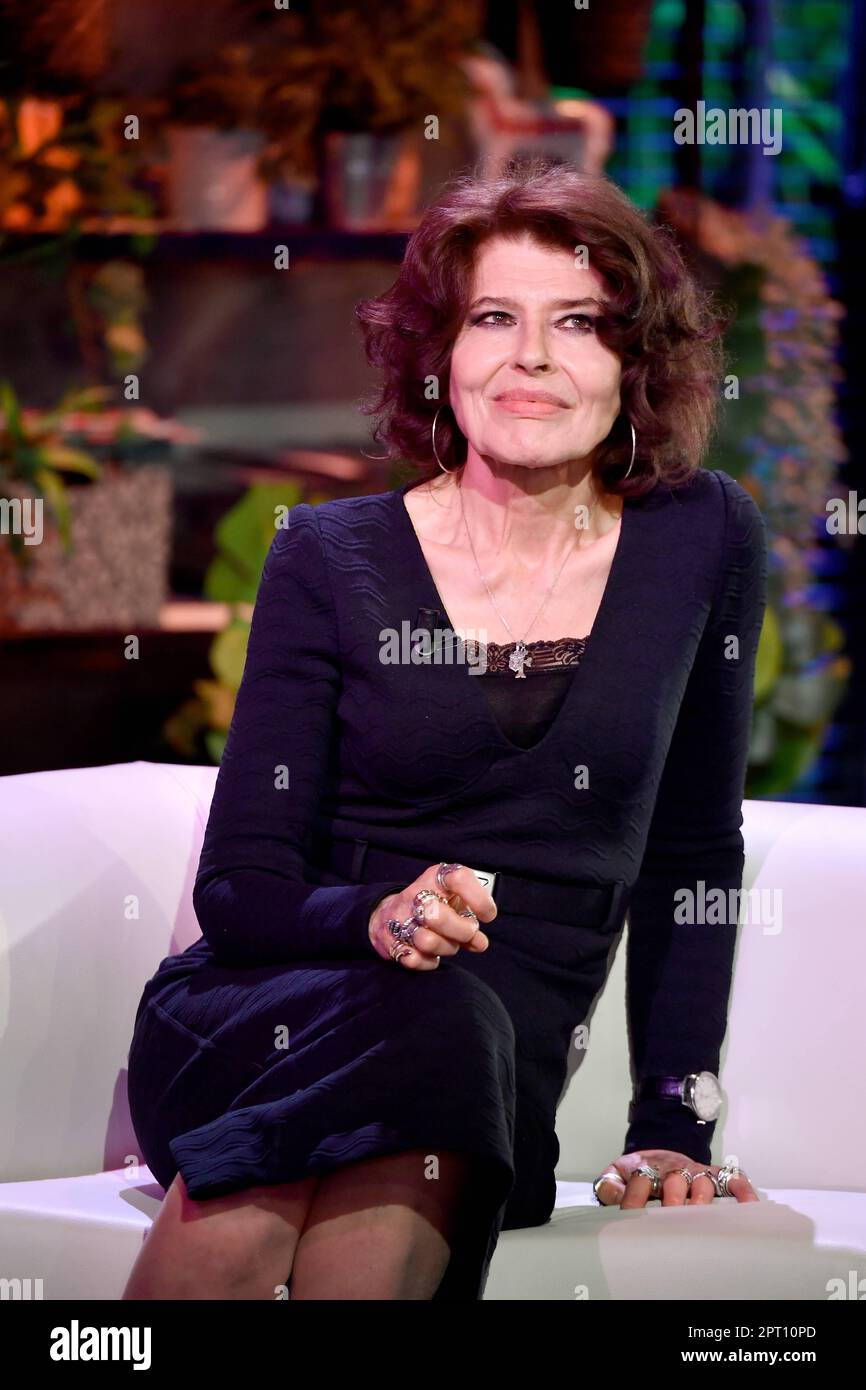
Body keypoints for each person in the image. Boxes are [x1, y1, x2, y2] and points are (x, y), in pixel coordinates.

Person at [123, 156, 767, 1302]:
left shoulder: (699, 539)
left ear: (631, 359)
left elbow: (689, 855)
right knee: (416, 1022)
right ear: (440, 356)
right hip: (278, 1008)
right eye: (492, 318)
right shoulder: (331, 554)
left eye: (577, 322)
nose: (531, 356)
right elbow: (241, 886)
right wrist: (379, 914)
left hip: (488, 1058)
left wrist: (674, 1123)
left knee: (438, 1035)